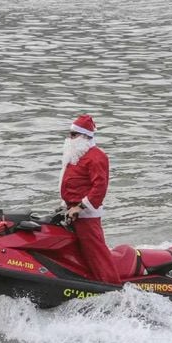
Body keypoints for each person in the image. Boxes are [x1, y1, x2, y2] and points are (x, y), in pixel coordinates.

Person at [59, 114, 121, 285]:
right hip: (71, 211)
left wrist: (80, 207)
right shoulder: (77, 154)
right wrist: (65, 205)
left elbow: (100, 187)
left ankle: (112, 287)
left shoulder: (97, 157)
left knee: (96, 252)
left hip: (85, 214)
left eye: (72, 135)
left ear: (84, 137)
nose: (68, 138)